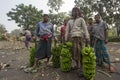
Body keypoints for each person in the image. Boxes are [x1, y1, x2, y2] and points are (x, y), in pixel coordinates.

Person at [65, 7, 89, 76]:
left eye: (76, 11)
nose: (75, 13)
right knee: (74, 53)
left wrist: (87, 37)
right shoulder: (70, 21)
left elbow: (85, 29)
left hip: (80, 38)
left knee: (81, 53)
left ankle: (81, 68)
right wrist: (66, 39)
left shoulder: (81, 19)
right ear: (72, 13)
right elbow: (67, 31)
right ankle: (77, 65)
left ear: (79, 12)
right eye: (73, 11)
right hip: (73, 39)